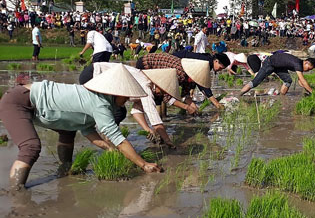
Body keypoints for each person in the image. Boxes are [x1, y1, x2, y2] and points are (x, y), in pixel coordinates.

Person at [0, 64, 162, 190]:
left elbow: (88, 131)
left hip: (35, 105)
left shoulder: (100, 102)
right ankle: (16, 193)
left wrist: (109, 149)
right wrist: (143, 164)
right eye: (125, 96)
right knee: (31, 146)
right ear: (116, 93)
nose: (126, 100)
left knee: (68, 131)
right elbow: (118, 138)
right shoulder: (100, 103)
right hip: (19, 102)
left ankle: (65, 169)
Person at [79, 63, 180, 148]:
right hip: (94, 74)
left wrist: (147, 129)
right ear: (157, 85)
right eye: (162, 91)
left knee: (121, 112)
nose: (161, 94)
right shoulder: (145, 86)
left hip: (100, 77)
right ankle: (108, 139)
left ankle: (110, 137)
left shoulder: (145, 83)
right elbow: (154, 117)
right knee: (114, 111)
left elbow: (136, 111)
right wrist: (168, 140)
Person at [138, 52, 227, 110]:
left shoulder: (191, 76)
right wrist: (186, 107)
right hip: (146, 64)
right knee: (156, 94)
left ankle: (163, 120)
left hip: (167, 66)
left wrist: (192, 105)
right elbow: (167, 97)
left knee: (160, 95)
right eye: (220, 68)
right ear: (216, 61)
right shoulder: (180, 74)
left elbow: (185, 95)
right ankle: (159, 125)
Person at [240, 52, 315, 96]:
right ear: (306, 62)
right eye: (308, 68)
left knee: (288, 81)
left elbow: (300, 81)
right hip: (269, 63)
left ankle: (282, 98)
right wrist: (313, 92)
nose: (307, 71)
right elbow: (302, 80)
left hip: (278, 67)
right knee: (255, 82)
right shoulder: (298, 64)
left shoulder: (299, 64)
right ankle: (239, 95)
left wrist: (308, 91)